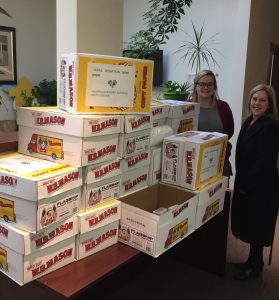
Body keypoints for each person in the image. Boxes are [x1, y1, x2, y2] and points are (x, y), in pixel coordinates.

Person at [231, 84, 279, 280]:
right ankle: (251, 261)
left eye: (262, 100)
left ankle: (255, 266)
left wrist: (246, 185)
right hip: (248, 183)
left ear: (269, 105)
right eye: (254, 99)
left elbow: (264, 162)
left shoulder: (270, 127)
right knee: (251, 223)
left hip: (262, 187)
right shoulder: (249, 120)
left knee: (258, 226)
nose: (257, 103)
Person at [189, 70, 234, 178]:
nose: (206, 87)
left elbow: (229, 132)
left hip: (219, 161)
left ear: (214, 87)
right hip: (193, 163)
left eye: (210, 84)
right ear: (196, 86)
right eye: (202, 84)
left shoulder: (223, 107)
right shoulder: (187, 107)